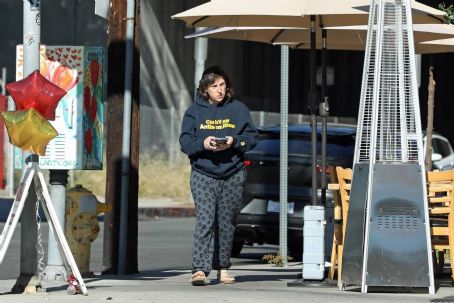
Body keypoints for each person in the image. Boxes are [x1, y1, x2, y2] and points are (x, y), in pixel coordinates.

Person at [179, 65, 258, 286]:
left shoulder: (239, 109)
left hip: (233, 173)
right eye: (214, 86)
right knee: (205, 220)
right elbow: (185, 142)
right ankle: (200, 270)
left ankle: (223, 267)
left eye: (222, 85)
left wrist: (234, 141)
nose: (220, 90)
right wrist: (203, 143)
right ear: (205, 89)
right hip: (203, 173)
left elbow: (251, 138)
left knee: (226, 223)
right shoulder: (194, 112)